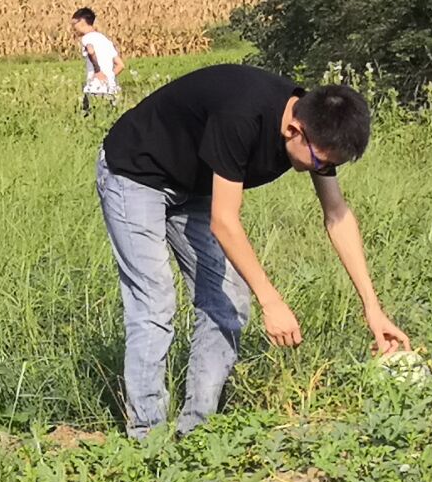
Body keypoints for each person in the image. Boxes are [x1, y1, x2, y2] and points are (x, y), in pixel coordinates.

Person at [96, 63, 409, 439]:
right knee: (155, 303)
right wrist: (272, 301)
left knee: (229, 299)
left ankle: (197, 431)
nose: (323, 169)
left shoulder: (316, 127)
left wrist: (372, 308)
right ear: (295, 130)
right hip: (135, 173)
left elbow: (337, 216)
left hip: (191, 186)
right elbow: (224, 221)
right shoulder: (242, 114)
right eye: (321, 162)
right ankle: (147, 437)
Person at [72, 7, 124, 117]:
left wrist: (98, 71)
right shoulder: (105, 40)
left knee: (88, 119)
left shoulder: (87, 38)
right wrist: (108, 77)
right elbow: (120, 65)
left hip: (94, 88)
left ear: (82, 22)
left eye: (74, 24)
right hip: (110, 90)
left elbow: (91, 51)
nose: (73, 28)